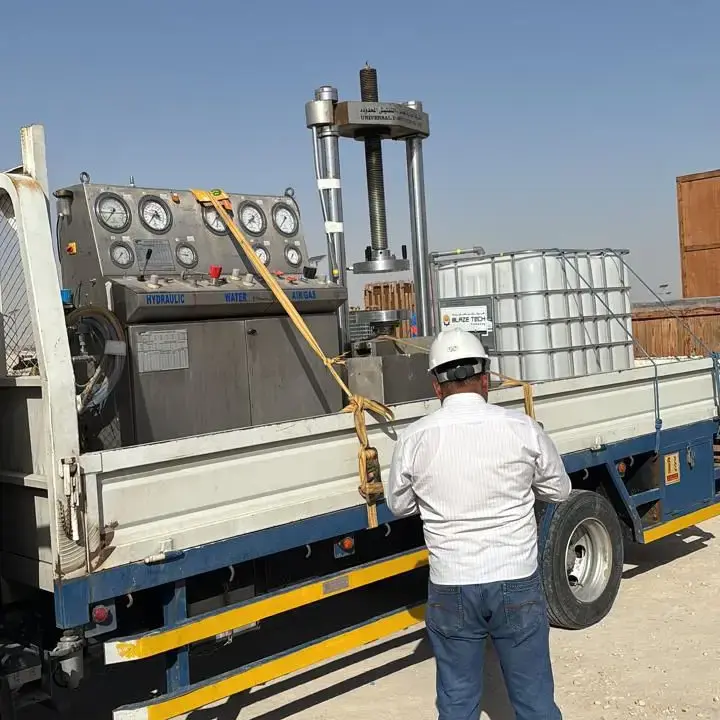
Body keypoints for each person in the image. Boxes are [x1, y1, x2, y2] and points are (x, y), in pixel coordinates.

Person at [386, 328, 571, 720]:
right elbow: (559, 490)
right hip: (515, 579)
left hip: (451, 584)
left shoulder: (415, 438)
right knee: (535, 700)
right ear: (485, 379)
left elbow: (399, 506)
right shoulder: (522, 428)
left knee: (457, 703)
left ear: (436, 386)